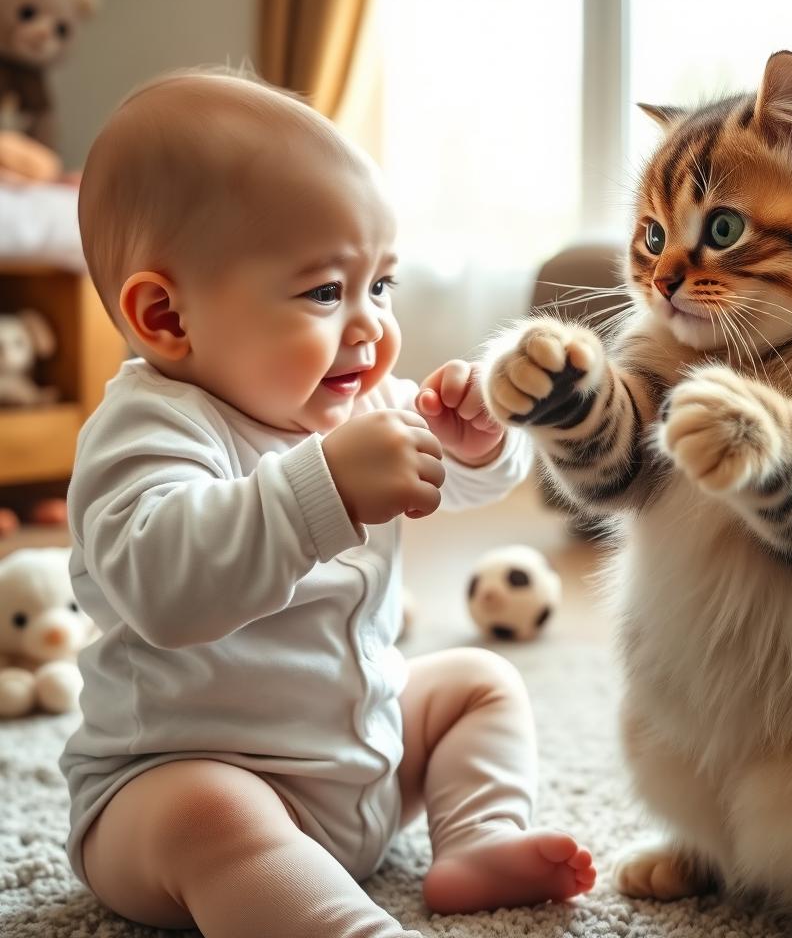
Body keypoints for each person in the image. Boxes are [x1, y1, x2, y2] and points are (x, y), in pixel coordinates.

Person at [59, 71, 595, 938]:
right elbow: (166, 586)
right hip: (175, 788)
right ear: (167, 318)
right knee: (212, 817)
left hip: (367, 767)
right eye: (323, 292)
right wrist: (328, 489)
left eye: (380, 286)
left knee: (477, 684)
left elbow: (457, 485)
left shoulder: (357, 404)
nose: (371, 327)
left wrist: (476, 446)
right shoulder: (150, 428)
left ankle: (477, 837)